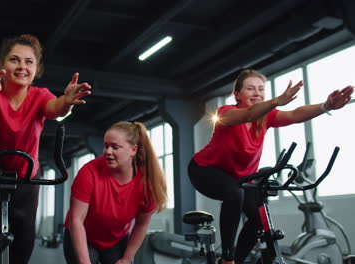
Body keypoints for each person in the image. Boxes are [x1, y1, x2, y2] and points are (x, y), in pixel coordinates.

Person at [188, 69, 353, 264]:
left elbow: (294, 114)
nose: (257, 93)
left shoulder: (266, 117)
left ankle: (238, 261)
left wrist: (326, 106)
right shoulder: (226, 112)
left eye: (260, 89)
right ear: (237, 94)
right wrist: (275, 101)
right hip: (205, 170)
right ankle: (227, 259)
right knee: (235, 193)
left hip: (241, 178)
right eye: (250, 89)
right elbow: (248, 115)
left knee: (259, 218)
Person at [0, 33, 91, 264]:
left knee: (24, 225)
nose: (22, 66)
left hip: (25, 173)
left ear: (37, 68)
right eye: (14, 60)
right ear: (2, 64)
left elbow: (55, 109)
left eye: (29, 61)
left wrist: (65, 101)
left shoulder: (39, 95)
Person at [63, 121, 168, 264]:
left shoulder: (147, 183)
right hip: (82, 235)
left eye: (115, 147)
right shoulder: (89, 172)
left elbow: (141, 224)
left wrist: (126, 259)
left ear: (133, 150)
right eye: (106, 146)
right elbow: (76, 219)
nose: (108, 152)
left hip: (115, 239)